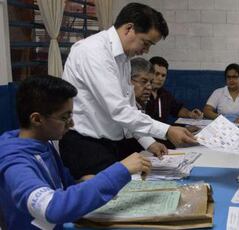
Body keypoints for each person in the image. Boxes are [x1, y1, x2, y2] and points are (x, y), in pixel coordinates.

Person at [59, 3, 197, 180]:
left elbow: (130, 108)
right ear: (129, 29)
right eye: (146, 43)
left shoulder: (123, 58)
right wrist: (167, 130)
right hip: (85, 144)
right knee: (111, 199)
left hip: (108, 143)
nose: (146, 50)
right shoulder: (93, 52)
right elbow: (119, 111)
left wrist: (149, 142)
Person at [0, 75, 152, 230]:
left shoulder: (43, 144)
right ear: (37, 119)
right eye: (64, 117)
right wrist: (121, 170)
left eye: (71, 115)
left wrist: (86, 182)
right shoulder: (16, 164)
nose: (71, 124)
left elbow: (64, 187)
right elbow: (52, 207)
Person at [146, 56, 204, 123]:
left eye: (163, 75)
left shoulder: (165, 95)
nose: (160, 78)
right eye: (157, 74)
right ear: (148, 73)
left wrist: (190, 114)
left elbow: (177, 109)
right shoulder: (142, 94)